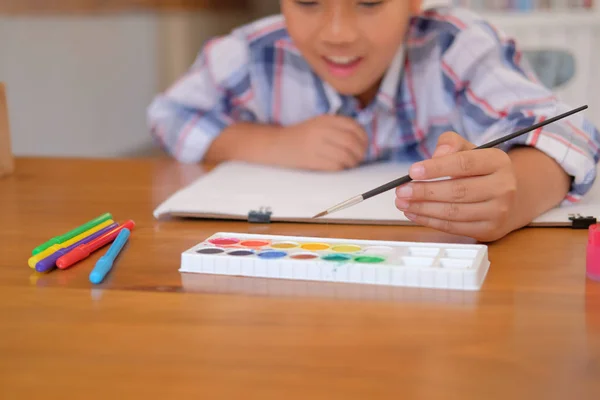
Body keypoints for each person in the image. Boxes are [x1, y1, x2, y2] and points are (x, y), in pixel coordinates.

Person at [146, 0, 600, 242]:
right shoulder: (252, 52)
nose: (338, 33)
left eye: (369, 1)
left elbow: (567, 131)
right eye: (307, 1)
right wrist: (268, 143)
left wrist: (517, 191)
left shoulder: (458, 45)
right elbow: (168, 113)